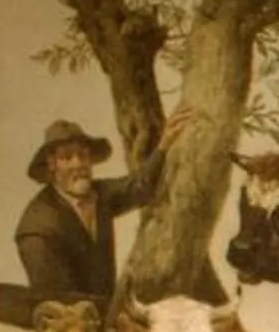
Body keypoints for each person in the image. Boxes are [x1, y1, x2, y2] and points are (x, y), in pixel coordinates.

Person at [12, 111, 189, 304]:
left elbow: (140, 187)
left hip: (108, 318)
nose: (78, 164)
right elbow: (57, 301)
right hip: (68, 326)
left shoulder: (100, 195)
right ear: (51, 164)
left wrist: (164, 144)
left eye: (83, 155)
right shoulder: (37, 228)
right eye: (67, 157)